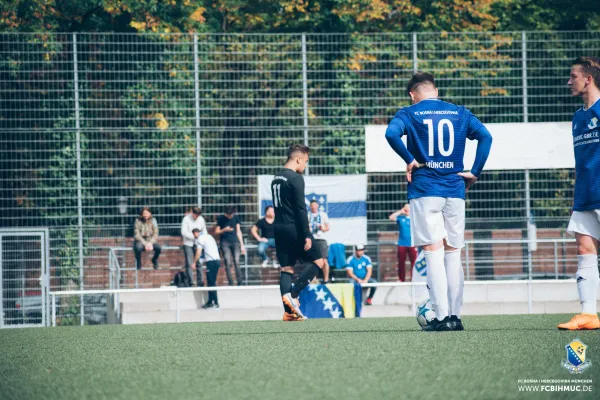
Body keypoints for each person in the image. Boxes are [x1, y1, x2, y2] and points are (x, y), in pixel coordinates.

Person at [385, 71, 493, 331]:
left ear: (413, 94)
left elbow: (390, 134)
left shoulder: (409, 113)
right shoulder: (459, 112)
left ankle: (442, 317)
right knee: (453, 254)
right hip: (455, 189)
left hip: (425, 190)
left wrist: (409, 159)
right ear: (435, 90)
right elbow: (486, 137)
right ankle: (455, 317)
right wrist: (474, 171)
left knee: (432, 253)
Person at [558, 56, 600, 331]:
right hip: (585, 194)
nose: (569, 81)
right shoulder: (578, 117)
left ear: (588, 78)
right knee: (584, 249)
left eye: (573, 76)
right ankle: (588, 314)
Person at [272, 144, 327, 321]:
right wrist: (307, 234)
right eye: (305, 162)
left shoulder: (276, 178)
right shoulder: (295, 178)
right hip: (293, 228)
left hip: (279, 228)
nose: (305, 166)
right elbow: (300, 209)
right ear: (298, 159)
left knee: (286, 268)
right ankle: (293, 295)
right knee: (319, 261)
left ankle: (289, 312)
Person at [215, 206, 246, 286]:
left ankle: (240, 282)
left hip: (235, 241)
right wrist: (224, 230)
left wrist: (242, 245)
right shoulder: (221, 219)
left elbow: (239, 231)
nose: (230, 216)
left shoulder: (236, 218)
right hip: (225, 242)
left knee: (237, 261)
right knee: (227, 262)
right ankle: (231, 282)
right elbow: (217, 231)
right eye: (229, 214)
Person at [192, 228, 221, 309]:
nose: (194, 237)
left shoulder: (200, 239)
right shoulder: (208, 236)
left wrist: (194, 262)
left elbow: (198, 252)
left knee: (211, 283)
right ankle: (211, 301)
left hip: (211, 261)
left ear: (196, 233)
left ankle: (214, 302)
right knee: (211, 282)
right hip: (216, 260)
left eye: (194, 234)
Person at [389, 204, 417, 282]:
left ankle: (413, 279)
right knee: (401, 262)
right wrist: (400, 212)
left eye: (408, 208)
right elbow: (391, 218)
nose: (407, 209)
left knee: (414, 263)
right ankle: (401, 279)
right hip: (402, 244)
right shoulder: (401, 218)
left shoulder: (414, 219)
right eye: (406, 208)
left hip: (412, 244)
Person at [181, 207, 207, 286]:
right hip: (188, 243)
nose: (196, 217)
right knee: (189, 263)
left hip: (198, 243)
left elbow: (204, 230)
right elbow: (184, 232)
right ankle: (191, 282)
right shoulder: (186, 219)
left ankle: (200, 282)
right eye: (195, 214)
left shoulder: (201, 219)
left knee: (199, 262)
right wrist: (194, 237)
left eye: (197, 215)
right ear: (192, 212)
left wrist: (201, 238)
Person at [308, 199, 331, 282]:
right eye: (312, 205)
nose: (314, 207)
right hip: (312, 239)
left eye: (315, 205)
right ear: (310, 206)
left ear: (317, 206)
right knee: (313, 261)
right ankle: (313, 279)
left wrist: (323, 228)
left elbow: (327, 227)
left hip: (321, 239)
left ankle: (326, 279)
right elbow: (305, 229)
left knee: (324, 260)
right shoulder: (308, 215)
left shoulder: (323, 215)